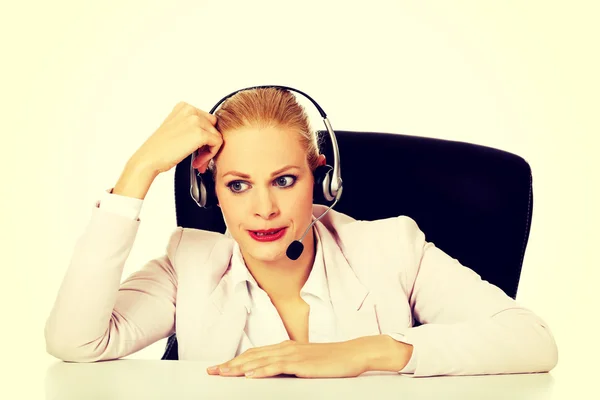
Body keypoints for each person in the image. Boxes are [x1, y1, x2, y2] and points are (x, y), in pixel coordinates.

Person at [45, 87, 558, 378]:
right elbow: (75, 342)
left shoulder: (391, 248)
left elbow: (532, 340)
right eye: (239, 184)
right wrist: (139, 171)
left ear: (320, 176)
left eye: (285, 180)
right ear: (211, 192)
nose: (263, 209)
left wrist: (359, 352)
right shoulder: (191, 262)